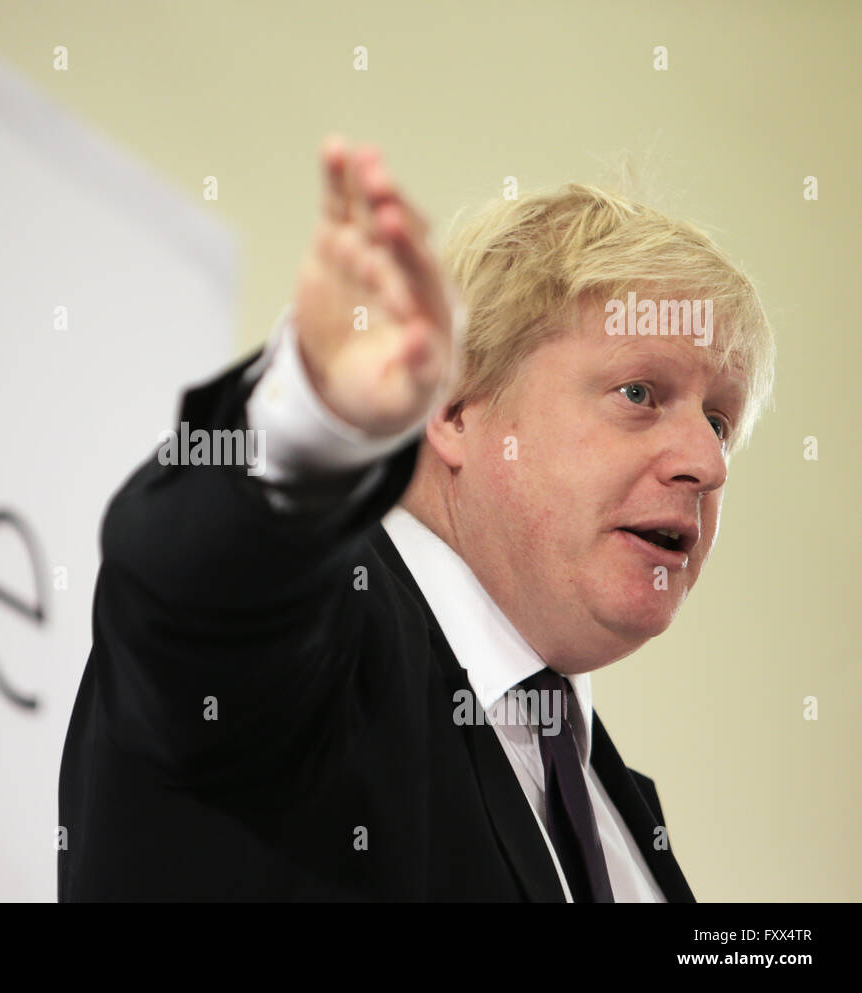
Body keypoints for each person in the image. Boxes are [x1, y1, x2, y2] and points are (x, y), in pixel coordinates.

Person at [57, 135, 775, 901]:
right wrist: (311, 415)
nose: (708, 462)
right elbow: (191, 589)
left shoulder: (621, 816)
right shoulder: (316, 660)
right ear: (456, 409)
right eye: (640, 392)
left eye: (721, 422)